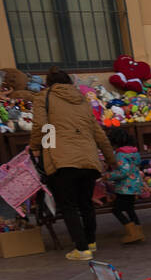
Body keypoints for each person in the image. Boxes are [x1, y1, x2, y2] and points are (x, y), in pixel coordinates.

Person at [31, 67, 118, 260]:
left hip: (61, 159)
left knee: (68, 205)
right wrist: (110, 159)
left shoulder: (44, 98)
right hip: (88, 158)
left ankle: (81, 249)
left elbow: (42, 126)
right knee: (85, 202)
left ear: (48, 83)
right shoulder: (82, 100)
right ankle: (90, 242)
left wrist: (39, 147)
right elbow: (98, 133)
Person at [103, 127, 145, 244]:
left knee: (116, 210)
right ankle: (138, 231)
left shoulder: (120, 155)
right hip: (134, 185)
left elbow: (123, 172)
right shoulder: (134, 152)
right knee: (130, 209)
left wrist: (108, 176)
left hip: (125, 188)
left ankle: (132, 232)